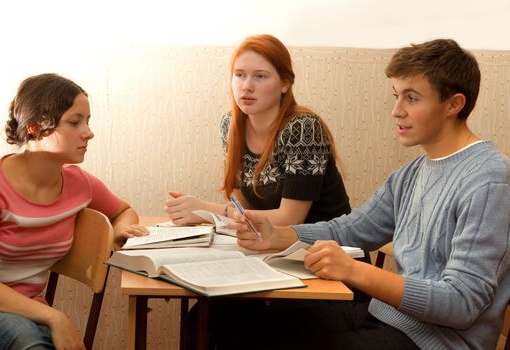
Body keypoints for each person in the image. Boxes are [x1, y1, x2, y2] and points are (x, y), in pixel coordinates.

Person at [222, 39, 510, 350]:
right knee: (237, 321)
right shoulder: (412, 173)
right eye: (397, 96)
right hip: (386, 317)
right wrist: (279, 235)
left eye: (411, 99)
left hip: (434, 341)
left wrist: (353, 270)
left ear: (454, 104)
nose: (396, 111)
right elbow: (351, 229)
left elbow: (461, 303)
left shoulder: (489, 179)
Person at [0, 73, 148, 349]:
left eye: (87, 121)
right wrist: (56, 318)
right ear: (33, 128)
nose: (89, 132)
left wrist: (122, 229)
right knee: (28, 338)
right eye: (75, 122)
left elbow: (123, 210)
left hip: (23, 312)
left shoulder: (79, 184)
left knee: (30, 336)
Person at [165, 34, 351, 226]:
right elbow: (244, 208)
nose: (246, 86)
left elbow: (290, 220)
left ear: (285, 83)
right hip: (270, 246)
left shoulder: (303, 128)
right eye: (239, 75)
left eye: (260, 76)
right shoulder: (230, 124)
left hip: (328, 249)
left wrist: (207, 211)